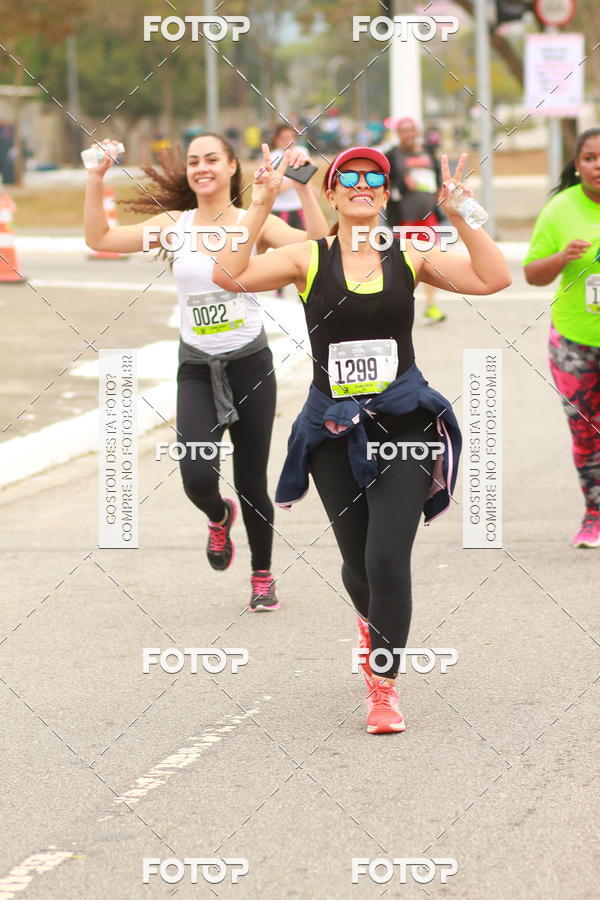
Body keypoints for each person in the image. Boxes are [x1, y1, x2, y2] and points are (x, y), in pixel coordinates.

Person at [213, 144, 511, 734]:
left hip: (405, 423)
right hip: (333, 428)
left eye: (373, 177)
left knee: (386, 556)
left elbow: (494, 278)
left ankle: (383, 685)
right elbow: (228, 275)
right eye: (347, 177)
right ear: (331, 193)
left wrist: (461, 215)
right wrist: (262, 202)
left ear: (385, 193)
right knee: (357, 564)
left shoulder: (410, 253)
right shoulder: (308, 257)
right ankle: (372, 626)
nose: (360, 184)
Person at [84, 133, 329, 609]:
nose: (202, 167)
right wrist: (96, 178)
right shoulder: (173, 226)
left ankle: (262, 576)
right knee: (196, 474)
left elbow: (320, 249)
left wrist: (303, 188)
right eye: (194, 160)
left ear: (232, 166)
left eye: (212, 159)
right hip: (196, 367)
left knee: (252, 480)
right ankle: (219, 516)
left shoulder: (254, 221)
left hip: (250, 365)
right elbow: (101, 240)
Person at [524, 127, 600, 548]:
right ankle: (595, 513)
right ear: (577, 164)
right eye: (590, 158)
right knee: (587, 433)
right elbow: (532, 275)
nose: (598, 165)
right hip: (574, 343)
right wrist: (562, 257)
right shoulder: (559, 209)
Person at [384, 116, 447, 324]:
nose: (408, 134)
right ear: (398, 134)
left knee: (431, 261)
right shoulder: (391, 156)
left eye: (411, 130)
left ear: (417, 131)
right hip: (404, 219)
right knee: (404, 264)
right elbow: (386, 186)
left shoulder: (427, 152)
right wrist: (403, 186)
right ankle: (398, 307)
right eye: (403, 131)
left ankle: (431, 306)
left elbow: (437, 178)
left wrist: (440, 192)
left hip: (428, 217)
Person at [270, 124, 309, 231]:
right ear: (276, 140)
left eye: (291, 137)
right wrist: (296, 180)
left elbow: (307, 176)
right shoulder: (272, 157)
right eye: (284, 138)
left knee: (306, 238)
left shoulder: (302, 151)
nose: (288, 141)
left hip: (300, 206)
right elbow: (274, 189)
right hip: (281, 208)